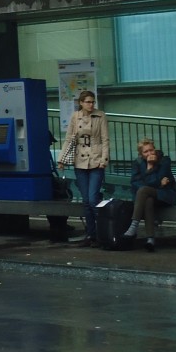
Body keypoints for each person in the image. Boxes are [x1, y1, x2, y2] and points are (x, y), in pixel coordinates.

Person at [62, 90, 110, 246]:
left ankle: (103, 234)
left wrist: (104, 159)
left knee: (92, 199)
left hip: (96, 160)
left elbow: (105, 139)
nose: (91, 104)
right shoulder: (75, 117)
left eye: (92, 102)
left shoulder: (100, 115)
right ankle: (91, 235)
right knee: (86, 201)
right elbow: (69, 138)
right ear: (81, 103)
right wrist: (62, 158)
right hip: (80, 160)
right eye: (88, 102)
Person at [124, 138, 176, 252]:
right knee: (148, 200)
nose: (149, 153)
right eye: (145, 152)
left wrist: (150, 169)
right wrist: (150, 170)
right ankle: (150, 239)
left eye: (151, 150)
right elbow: (135, 183)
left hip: (164, 195)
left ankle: (134, 225)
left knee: (143, 190)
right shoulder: (137, 163)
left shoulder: (164, 160)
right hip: (147, 196)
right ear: (141, 154)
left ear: (154, 149)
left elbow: (158, 180)